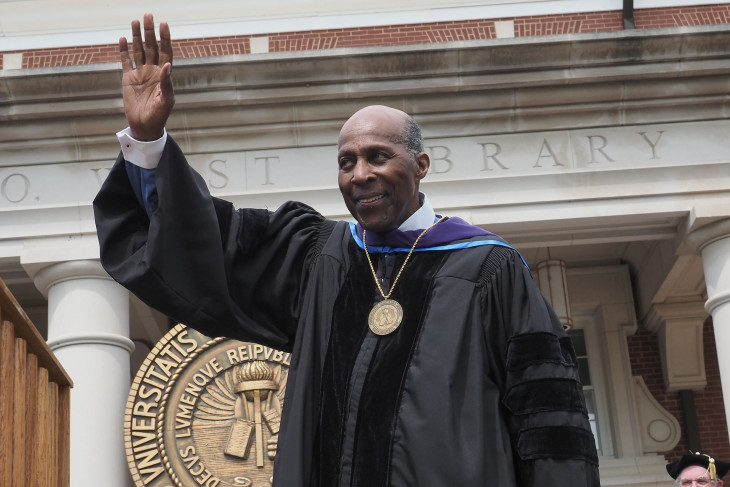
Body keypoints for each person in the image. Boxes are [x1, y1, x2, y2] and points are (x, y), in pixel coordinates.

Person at [93, 13, 600, 487]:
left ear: (421, 164)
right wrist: (148, 138)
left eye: (379, 156)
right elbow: (203, 241)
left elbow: (549, 420)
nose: (361, 175)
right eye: (346, 161)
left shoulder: (488, 268)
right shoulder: (319, 258)